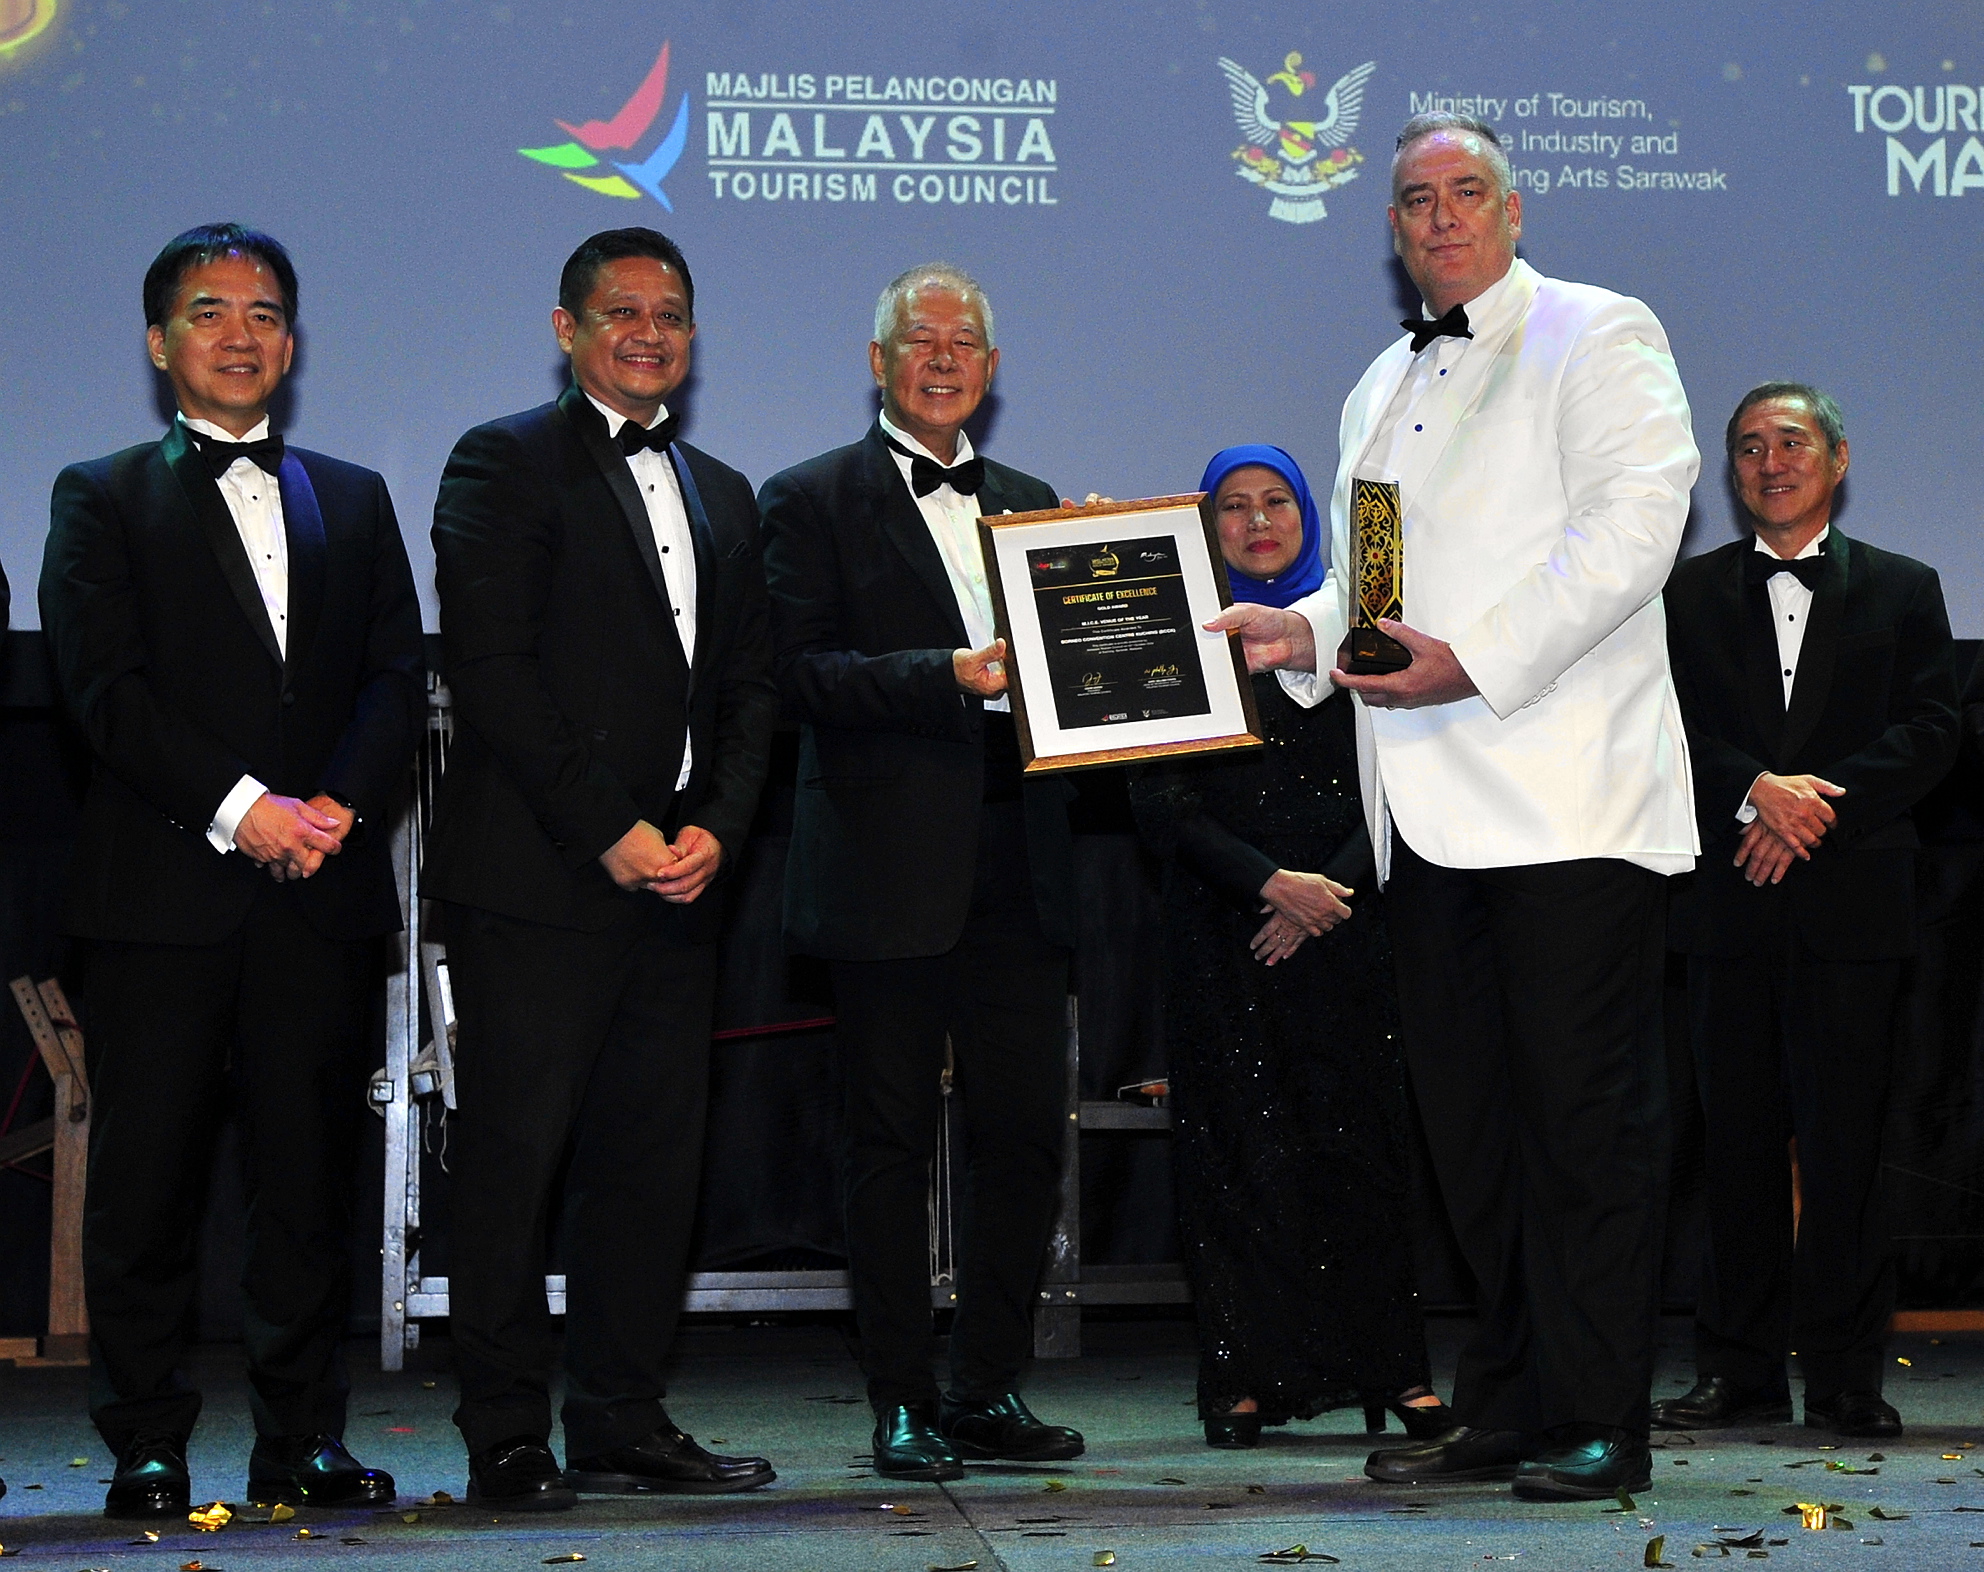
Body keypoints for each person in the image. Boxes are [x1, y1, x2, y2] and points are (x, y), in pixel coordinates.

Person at [1210, 113, 1700, 1499]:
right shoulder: (1380, 383)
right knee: (1474, 1137)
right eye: (1415, 200)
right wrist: (1302, 635)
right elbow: (1376, 593)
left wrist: (1472, 660)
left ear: (1513, 208)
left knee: (1580, 1130)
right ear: (1392, 229)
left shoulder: (1600, 331)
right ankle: (1512, 1402)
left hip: (1567, 803)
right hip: (1421, 817)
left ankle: (1599, 1417)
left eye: (1464, 191)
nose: (1440, 216)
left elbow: (1634, 529)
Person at [39, 223, 424, 1518]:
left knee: (306, 1187)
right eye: (209, 312)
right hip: (163, 899)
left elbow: (395, 677)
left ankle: (301, 1439)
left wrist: (334, 809)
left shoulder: (354, 498)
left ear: (292, 343)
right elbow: (103, 690)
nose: (240, 334)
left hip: (319, 892)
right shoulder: (100, 495)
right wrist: (244, 809)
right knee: (145, 1187)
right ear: (160, 344)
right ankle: (146, 1441)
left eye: (263, 313)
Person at [427, 228, 780, 1509]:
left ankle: (622, 1416)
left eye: (669, 314)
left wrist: (717, 828)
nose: (648, 333)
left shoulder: (725, 492)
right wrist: (609, 830)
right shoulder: (501, 460)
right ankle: (506, 1430)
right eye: (621, 311)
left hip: (681, 884)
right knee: (515, 1163)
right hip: (541, 879)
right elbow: (492, 672)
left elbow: (751, 688)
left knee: (649, 1165)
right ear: (566, 329)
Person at [759, 263, 1086, 1482]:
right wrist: (939, 676)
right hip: (884, 867)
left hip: (1021, 863)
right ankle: (900, 1399)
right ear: (878, 361)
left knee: (1024, 1141)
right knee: (887, 1146)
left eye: (963, 343)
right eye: (919, 339)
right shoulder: (807, 498)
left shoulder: (1038, 504)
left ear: (991, 370)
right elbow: (794, 674)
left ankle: (986, 1388)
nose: (942, 358)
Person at [1131, 446, 1448, 1450]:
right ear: (1206, 525)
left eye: (1276, 501)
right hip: (1222, 932)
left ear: (1310, 517)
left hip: (1351, 922)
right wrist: (1269, 886)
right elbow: (1159, 806)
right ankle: (1241, 1377)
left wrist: (1326, 893)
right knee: (1237, 1153)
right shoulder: (1173, 641)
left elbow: (1406, 778)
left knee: (1364, 1150)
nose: (1258, 521)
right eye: (1233, 506)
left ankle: (1395, 1368)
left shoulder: (1367, 633)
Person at [1656, 384, 1957, 1439]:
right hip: (1725, 906)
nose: (1769, 462)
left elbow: (1932, 729)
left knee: (1845, 1153)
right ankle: (1736, 1370)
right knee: (1732, 1150)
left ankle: (1843, 1377)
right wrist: (1755, 791)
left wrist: (1808, 811)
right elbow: (1661, 728)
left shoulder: (1906, 586)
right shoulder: (1682, 593)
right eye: (1748, 448)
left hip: (1853, 907)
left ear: (1838, 458)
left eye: (1790, 442)